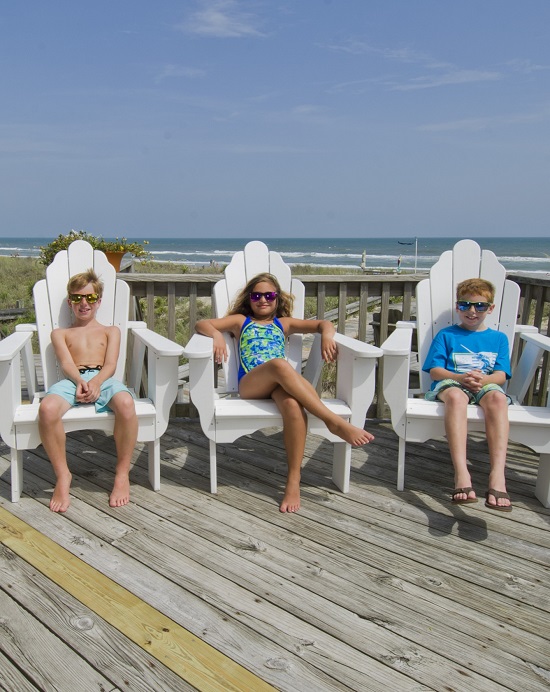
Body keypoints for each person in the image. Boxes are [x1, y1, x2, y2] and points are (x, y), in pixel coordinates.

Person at [195, 272, 374, 513]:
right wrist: (216, 334)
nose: (263, 300)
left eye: (269, 295)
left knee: (292, 405)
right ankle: (333, 421)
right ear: (249, 299)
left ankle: (293, 480)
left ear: (278, 299)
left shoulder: (284, 324)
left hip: (280, 386)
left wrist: (327, 336)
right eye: (257, 295)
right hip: (251, 385)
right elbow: (202, 324)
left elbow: (323, 324)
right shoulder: (240, 321)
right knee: (280, 364)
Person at [38, 269, 138, 512]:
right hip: (73, 379)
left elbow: (112, 364)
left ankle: (122, 474)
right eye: (77, 298)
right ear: (70, 302)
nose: (84, 303)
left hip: (104, 378)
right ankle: (63, 476)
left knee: (126, 404)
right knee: (47, 409)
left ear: (99, 302)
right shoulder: (60, 333)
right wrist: (81, 381)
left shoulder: (110, 330)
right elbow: (66, 363)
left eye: (90, 298)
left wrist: (96, 383)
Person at [423, 278, 512, 511]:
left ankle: (497, 477)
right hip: (453, 383)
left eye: (480, 306)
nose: (472, 311)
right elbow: (435, 371)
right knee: (455, 397)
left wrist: (483, 380)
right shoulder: (446, 335)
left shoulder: (499, 339)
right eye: (465, 305)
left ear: (490, 308)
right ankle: (462, 474)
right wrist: (461, 378)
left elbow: (501, 375)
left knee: (498, 398)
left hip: (485, 385)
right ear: (457, 307)